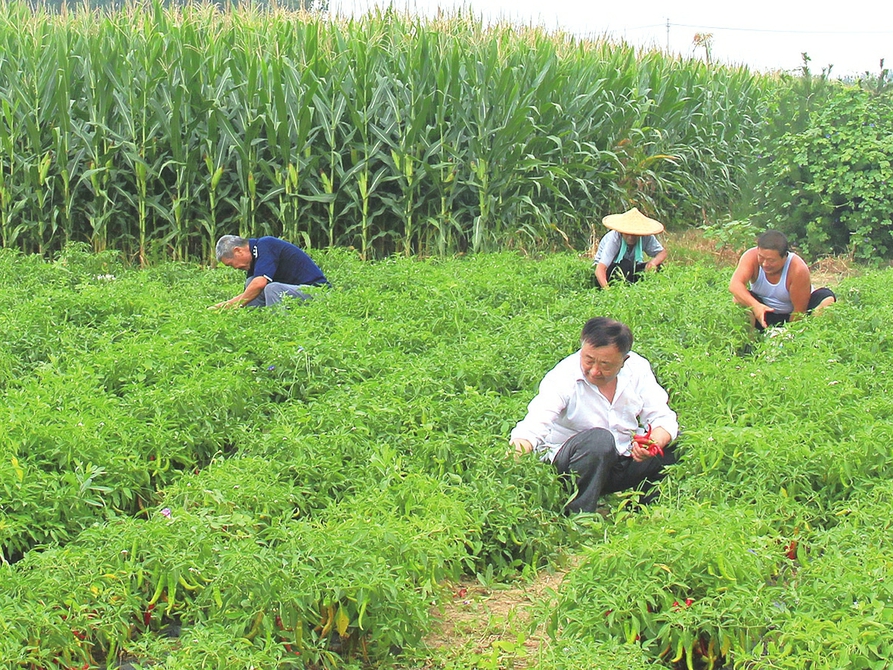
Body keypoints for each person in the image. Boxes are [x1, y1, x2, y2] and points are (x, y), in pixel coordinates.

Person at [509, 317, 678, 514]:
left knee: (674, 444)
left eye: (606, 365)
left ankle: (644, 511)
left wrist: (653, 443)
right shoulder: (564, 376)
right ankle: (579, 516)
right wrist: (514, 458)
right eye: (589, 360)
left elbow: (662, 418)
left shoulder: (637, 369)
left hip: (620, 458)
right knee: (599, 441)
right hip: (571, 467)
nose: (595, 371)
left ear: (624, 361)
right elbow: (534, 425)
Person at [728, 230, 836, 330]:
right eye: (761, 257)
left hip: (793, 315)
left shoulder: (797, 269)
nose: (765, 264)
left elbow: (799, 311)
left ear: (785, 257)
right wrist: (756, 306)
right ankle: (748, 345)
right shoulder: (751, 257)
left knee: (827, 300)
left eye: (771, 260)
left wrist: (787, 335)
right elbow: (734, 285)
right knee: (739, 300)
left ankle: (813, 343)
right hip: (763, 313)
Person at [210, 235, 329, 309]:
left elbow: (260, 283)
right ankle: (256, 327)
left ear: (238, 251)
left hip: (318, 293)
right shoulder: (254, 259)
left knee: (271, 288)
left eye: (231, 264)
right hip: (295, 291)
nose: (235, 268)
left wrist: (231, 306)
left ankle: (280, 332)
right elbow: (252, 288)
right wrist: (223, 306)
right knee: (250, 283)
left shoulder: (265, 245)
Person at [593, 208, 667, 288]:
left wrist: (653, 263)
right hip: (609, 272)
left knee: (659, 267)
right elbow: (600, 269)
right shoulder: (614, 239)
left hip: (631, 268)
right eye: (627, 233)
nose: (631, 237)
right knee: (625, 264)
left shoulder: (645, 236)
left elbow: (662, 253)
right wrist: (608, 291)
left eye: (634, 234)